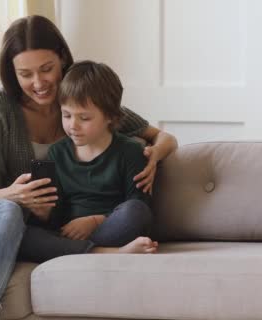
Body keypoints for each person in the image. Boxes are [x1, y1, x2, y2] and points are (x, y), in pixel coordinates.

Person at [0, 15, 178, 320]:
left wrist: (155, 155)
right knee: (7, 214)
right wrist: (11, 195)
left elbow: (161, 136)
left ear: (62, 60)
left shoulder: (78, 101)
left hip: (9, 227)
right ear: (12, 74)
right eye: (25, 74)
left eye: (46, 69)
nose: (38, 83)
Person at [18, 61, 158, 263]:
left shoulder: (131, 151)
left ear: (110, 116)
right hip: (68, 233)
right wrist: (43, 212)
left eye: (84, 118)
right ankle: (108, 253)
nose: (73, 125)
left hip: (110, 227)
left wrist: (93, 221)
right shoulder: (58, 153)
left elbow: (139, 204)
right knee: (22, 234)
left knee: (136, 212)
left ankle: (75, 251)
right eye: (66, 115)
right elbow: (56, 217)